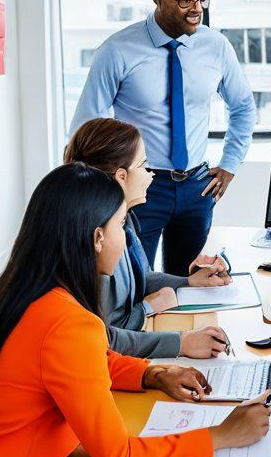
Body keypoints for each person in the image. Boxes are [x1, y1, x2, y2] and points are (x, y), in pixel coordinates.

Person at [0, 163, 270, 457]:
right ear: (97, 238)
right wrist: (222, 435)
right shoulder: (67, 322)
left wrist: (153, 373)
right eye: (121, 225)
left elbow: (90, 359)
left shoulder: (38, 292)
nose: (125, 235)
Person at [70, 0, 257, 274]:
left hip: (197, 187)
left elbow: (243, 107)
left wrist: (229, 164)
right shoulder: (117, 50)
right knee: (133, 279)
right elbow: (88, 125)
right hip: (142, 186)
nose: (196, 8)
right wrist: (112, 186)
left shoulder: (217, 46)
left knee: (190, 281)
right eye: (185, 0)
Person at [64, 118, 233, 360]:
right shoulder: (98, 242)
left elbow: (141, 276)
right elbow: (105, 338)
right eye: (144, 166)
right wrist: (178, 339)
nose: (151, 175)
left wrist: (188, 282)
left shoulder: (125, 218)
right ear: (121, 177)